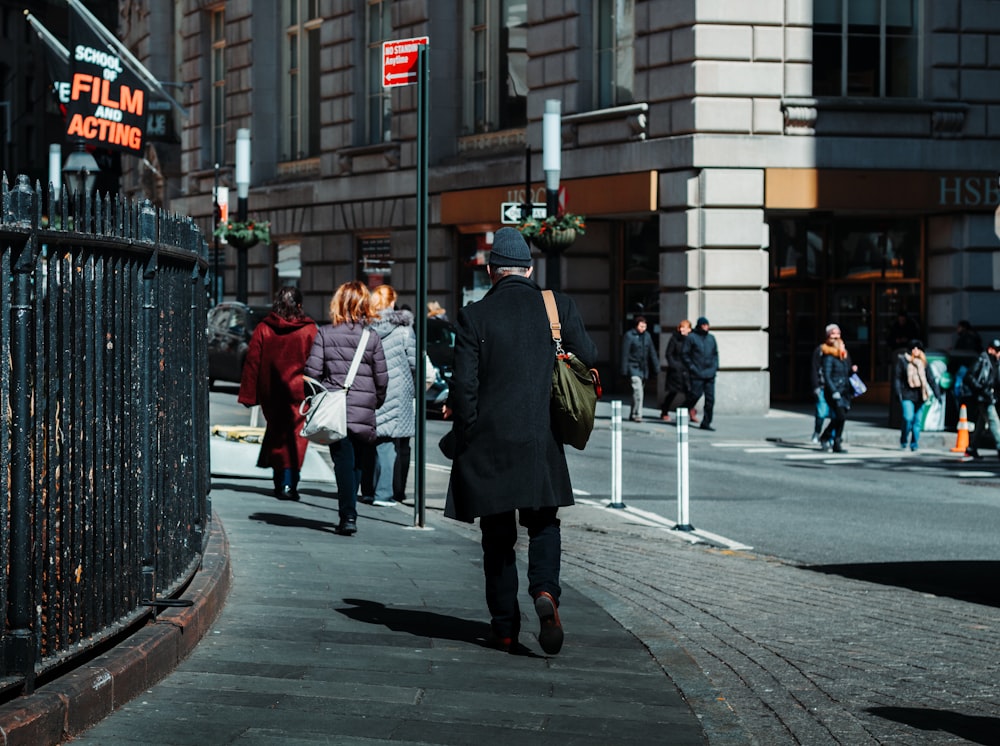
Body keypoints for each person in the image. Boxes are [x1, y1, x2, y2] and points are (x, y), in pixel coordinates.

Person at [445, 227, 597, 655]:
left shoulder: (474, 316)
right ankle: (545, 592)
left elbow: (463, 391)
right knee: (544, 524)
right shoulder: (557, 307)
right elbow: (590, 356)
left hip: (490, 445)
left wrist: (466, 433)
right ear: (529, 269)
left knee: (497, 537)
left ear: (492, 271)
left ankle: (504, 626)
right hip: (540, 440)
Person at [304, 281, 388, 536]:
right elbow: (382, 378)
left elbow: (312, 374)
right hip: (363, 409)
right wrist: (374, 402)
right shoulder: (371, 337)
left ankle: (348, 515)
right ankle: (351, 508)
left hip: (336, 408)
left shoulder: (325, 334)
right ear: (364, 304)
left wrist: (320, 396)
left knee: (342, 461)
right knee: (358, 463)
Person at [237, 286, 317, 501]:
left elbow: (252, 363)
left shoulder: (264, 328)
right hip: (301, 391)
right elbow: (317, 363)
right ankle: (290, 483)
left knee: (277, 433)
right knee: (297, 438)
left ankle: (279, 480)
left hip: (271, 391)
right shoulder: (309, 330)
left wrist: (248, 395)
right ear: (299, 305)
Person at [360, 284, 416, 507]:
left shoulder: (366, 328)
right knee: (389, 444)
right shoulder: (403, 329)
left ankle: (368, 489)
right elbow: (414, 362)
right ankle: (384, 493)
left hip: (371, 388)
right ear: (392, 302)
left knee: (370, 441)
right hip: (397, 391)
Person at [820, 327, 855, 453]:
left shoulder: (844, 357)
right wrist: (834, 391)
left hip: (844, 391)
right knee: (840, 417)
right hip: (835, 392)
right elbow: (827, 375)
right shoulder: (829, 357)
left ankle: (836, 442)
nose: (844, 347)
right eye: (842, 345)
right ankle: (826, 437)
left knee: (842, 417)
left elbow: (848, 372)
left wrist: (853, 370)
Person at [964, 338, 1000, 461]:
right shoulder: (982, 359)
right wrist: (981, 389)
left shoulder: (995, 362)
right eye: (997, 350)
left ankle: (972, 447)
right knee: (994, 422)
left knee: (981, 424)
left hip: (988, 396)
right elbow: (969, 377)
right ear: (991, 349)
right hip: (983, 397)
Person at [894, 339, 933, 451]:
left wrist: (937, 393)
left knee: (917, 422)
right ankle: (904, 440)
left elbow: (930, 379)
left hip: (921, 395)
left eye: (918, 348)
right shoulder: (903, 361)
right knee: (908, 417)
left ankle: (914, 443)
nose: (915, 350)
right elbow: (898, 378)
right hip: (907, 393)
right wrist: (898, 392)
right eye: (913, 348)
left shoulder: (924, 363)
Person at [620, 315, 660, 422]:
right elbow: (625, 353)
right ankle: (638, 414)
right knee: (638, 391)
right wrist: (624, 370)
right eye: (641, 326)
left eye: (645, 326)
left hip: (643, 368)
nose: (643, 328)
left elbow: (652, 352)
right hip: (632, 367)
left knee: (637, 392)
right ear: (636, 326)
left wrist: (656, 367)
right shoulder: (629, 336)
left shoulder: (647, 336)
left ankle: (632, 413)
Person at [683, 317, 719, 431]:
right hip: (697, 374)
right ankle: (682, 411)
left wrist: (714, 368)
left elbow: (715, 354)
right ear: (699, 326)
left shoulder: (711, 338)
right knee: (694, 395)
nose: (706, 327)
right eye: (703, 325)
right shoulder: (691, 338)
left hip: (710, 374)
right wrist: (692, 368)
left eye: (707, 325)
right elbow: (685, 354)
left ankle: (706, 422)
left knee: (710, 399)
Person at [660, 320, 693, 423]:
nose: (683, 329)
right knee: (673, 392)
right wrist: (675, 365)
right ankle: (664, 411)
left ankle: (691, 413)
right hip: (676, 371)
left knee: (690, 393)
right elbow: (668, 354)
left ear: (690, 329)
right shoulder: (674, 339)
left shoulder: (691, 340)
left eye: (686, 327)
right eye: (681, 327)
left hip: (687, 370)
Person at [810, 324, 838, 444]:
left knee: (834, 415)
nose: (835, 339)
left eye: (838, 336)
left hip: (836, 388)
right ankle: (817, 431)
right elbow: (814, 369)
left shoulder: (841, 351)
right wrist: (815, 386)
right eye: (833, 336)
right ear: (827, 337)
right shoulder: (820, 351)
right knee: (821, 412)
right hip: (822, 387)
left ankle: (830, 438)